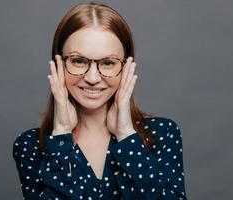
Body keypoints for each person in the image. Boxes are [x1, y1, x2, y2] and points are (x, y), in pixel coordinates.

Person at [12, 2, 187, 199]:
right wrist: (61, 135)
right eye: (78, 61)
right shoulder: (31, 146)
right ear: (58, 64)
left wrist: (127, 136)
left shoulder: (162, 134)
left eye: (108, 63)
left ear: (126, 67)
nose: (93, 78)